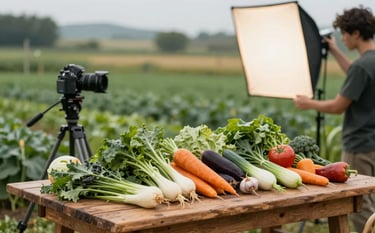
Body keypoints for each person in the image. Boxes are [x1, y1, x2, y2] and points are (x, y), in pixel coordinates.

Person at [294, 5, 375, 233]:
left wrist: (308, 103)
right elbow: (357, 74)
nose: (343, 38)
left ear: (356, 34)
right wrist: (335, 50)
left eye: (345, 34)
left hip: (359, 145)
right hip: (374, 143)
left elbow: (338, 106)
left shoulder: (361, 66)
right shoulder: (369, 63)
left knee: (361, 206)